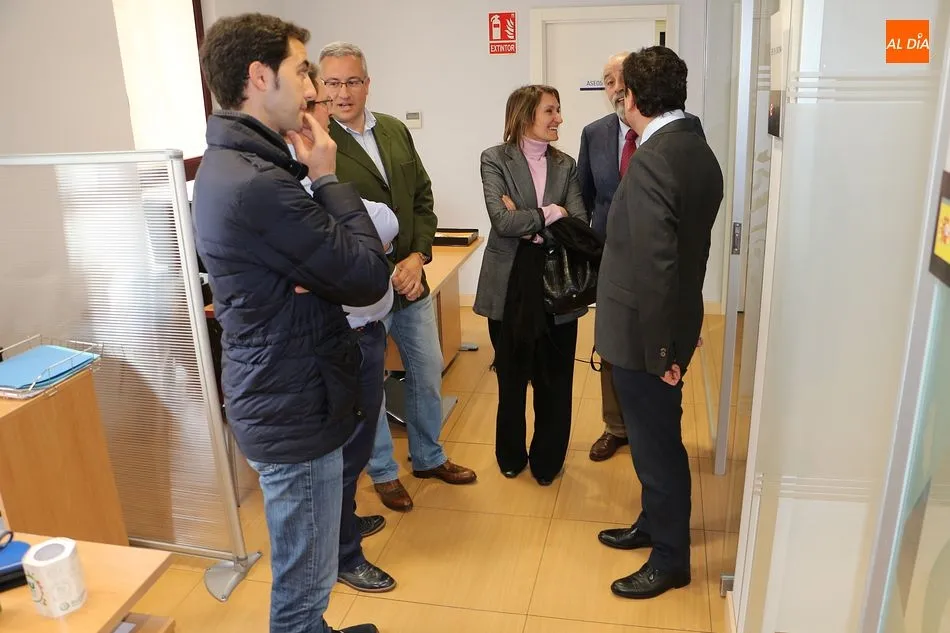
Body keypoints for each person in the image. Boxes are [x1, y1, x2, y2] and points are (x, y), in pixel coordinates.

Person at [193, 13, 389, 633]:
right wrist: (327, 177)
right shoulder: (257, 184)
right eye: (302, 71)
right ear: (259, 77)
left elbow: (333, 266)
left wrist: (323, 262)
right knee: (302, 591)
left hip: (287, 388)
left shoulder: (241, 165)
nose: (313, 89)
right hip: (292, 403)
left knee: (309, 574)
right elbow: (367, 274)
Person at [319, 41, 476, 513]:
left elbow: (422, 197)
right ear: (320, 87)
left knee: (427, 372)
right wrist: (387, 267)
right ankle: (384, 472)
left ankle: (428, 457)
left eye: (352, 81)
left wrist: (418, 256)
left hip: (412, 281)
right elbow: (325, 225)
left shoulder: (392, 129)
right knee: (370, 386)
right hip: (364, 289)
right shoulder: (317, 145)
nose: (343, 92)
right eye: (332, 83)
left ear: (368, 83)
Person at [594, 46, 723, 600]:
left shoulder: (653, 158)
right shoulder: (696, 148)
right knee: (655, 440)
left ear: (631, 98)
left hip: (645, 336)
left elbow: (655, 264)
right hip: (669, 321)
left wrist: (662, 351)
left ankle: (670, 559)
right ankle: (652, 524)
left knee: (657, 448)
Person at [288, 67, 397, 594]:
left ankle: (346, 523)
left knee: (355, 447)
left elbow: (388, 220)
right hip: (340, 337)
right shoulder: (293, 182)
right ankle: (343, 554)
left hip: (364, 331)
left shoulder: (320, 173)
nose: (329, 105)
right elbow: (371, 232)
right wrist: (360, 227)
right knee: (343, 453)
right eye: (317, 99)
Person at [578, 52, 705, 463]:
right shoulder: (596, 134)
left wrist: (666, 344)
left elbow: (669, 246)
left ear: (635, 92)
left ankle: (646, 434)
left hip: (650, 276)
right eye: (607, 80)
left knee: (648, 379)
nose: (615, 88)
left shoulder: (668, 145)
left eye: (621, 80)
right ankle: (616, 427)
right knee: (615, 351)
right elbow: (585, 194)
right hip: (614, 263)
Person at [474, 85, 589, 486]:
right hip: (509, 287)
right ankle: (510, 454)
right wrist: (552, 212)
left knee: (554, 381)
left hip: (558, 286)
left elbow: (578, 224)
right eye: (550, 111)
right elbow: (502, 222)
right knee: (511, 377)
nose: (559, 119)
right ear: (525, 116)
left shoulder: (566, 165)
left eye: (558, 110)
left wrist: (532, 225)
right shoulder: (494, 159)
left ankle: (548, 460)